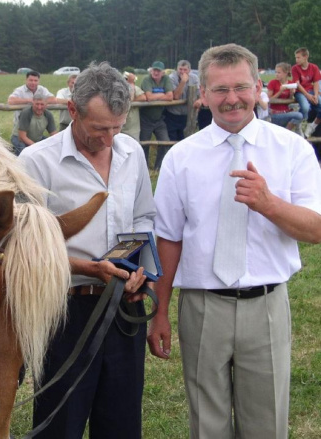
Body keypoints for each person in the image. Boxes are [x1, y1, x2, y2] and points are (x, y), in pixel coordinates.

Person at [148, 43, 321, 439]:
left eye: (241, 87)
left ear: (258, 87)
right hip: (203, 307)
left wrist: (268, 203)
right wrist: (160, 311)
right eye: (220, 90)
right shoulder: (182, 157)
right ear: (203, 95)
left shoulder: (292, 149)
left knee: (266, 424)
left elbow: (315, 229)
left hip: (267, 307)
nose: (232, 99)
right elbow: (169, 238)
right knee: (206, 424)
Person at [19, 62, 156, 438]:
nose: (110, 138)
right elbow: (22, 248)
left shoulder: (132, 154)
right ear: (73, 110)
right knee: (61, 422)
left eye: (117, 127)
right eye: (99, 129)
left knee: (122, 421)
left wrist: (139, 269)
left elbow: (144, 216)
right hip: (65, 309)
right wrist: (88, 267)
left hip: (124, 305)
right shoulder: (36, 162)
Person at [139, 61, 173, 170]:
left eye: (158, 70)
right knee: (144, 144)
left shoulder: (166, 79)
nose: (156, 72)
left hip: (159, 119)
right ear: (151, 70)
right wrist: (162, 94)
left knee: (165, 142)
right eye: (154, 70)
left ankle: (158, 167)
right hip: (146, 118)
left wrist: (156, 96)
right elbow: (148, 97)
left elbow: (170, 97)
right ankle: (144, 168)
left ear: (163, 72)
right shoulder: (146, 80)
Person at [164, 60, 202, 141]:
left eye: (185, 70)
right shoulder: (172, 78)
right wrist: (183, 81)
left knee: (185, 138)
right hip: (173, 114)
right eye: (180, 69)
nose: (182, 72)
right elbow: (176, 96)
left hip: (187, 115)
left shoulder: (194, 78)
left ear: (189, 70)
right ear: (177, 69)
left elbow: (200, 93)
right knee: (172, 139)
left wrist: (200, 100)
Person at [291, 47, 321, 137]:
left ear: (306, 57)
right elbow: (297, 84)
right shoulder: (295, 68)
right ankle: (298, 126)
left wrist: (315, 95)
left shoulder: (314, 67)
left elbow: (316, 83)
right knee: (305, 107)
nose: (296, 60)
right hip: (300, 91)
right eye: (296, 57)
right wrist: (307, 95)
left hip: (311, 91)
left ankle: (312, 126)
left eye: (298, 57)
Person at [267, 62, 303, 133]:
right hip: (275, 114)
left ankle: (286, 131)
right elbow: (269, 100)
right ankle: (287, 132)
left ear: (286, 73)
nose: (276, 74)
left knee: (299, 115)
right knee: (299, 115)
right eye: (276, 72)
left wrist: (291, 93)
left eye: (279, 72)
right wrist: (280, 91)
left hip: (286, 112)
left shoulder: (290, 83)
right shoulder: (273, 83)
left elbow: (288, 101)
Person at [121, 71, 147, 141]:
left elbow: (143, 98)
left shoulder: (136, 88)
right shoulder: (118, 89)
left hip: (132, 129)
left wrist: (131, 101)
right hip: (120, 127)